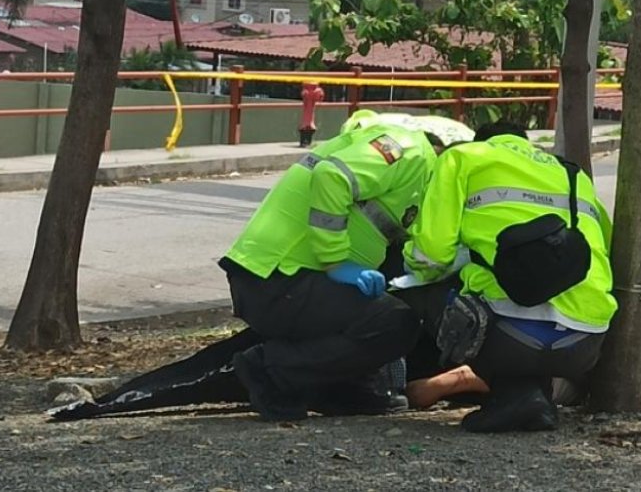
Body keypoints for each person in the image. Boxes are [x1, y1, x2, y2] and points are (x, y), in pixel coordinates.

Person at [394, 121, 618, 432]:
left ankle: (514, 395)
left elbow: (429, 255)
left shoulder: (464, 158)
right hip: (584, 342)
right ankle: (535, 399)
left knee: (419, 292)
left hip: (508, 338)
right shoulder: (572, 174)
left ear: (482, 141)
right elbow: (605, 246)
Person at [222, 118, 449, 422]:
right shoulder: (410, 151)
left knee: (390, 304)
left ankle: (338, 390)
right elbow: (332, 176)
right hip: (280, 278)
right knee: (396, 323)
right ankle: (270, 369)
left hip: (277, 280)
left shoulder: (414, 175)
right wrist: (337, 262)